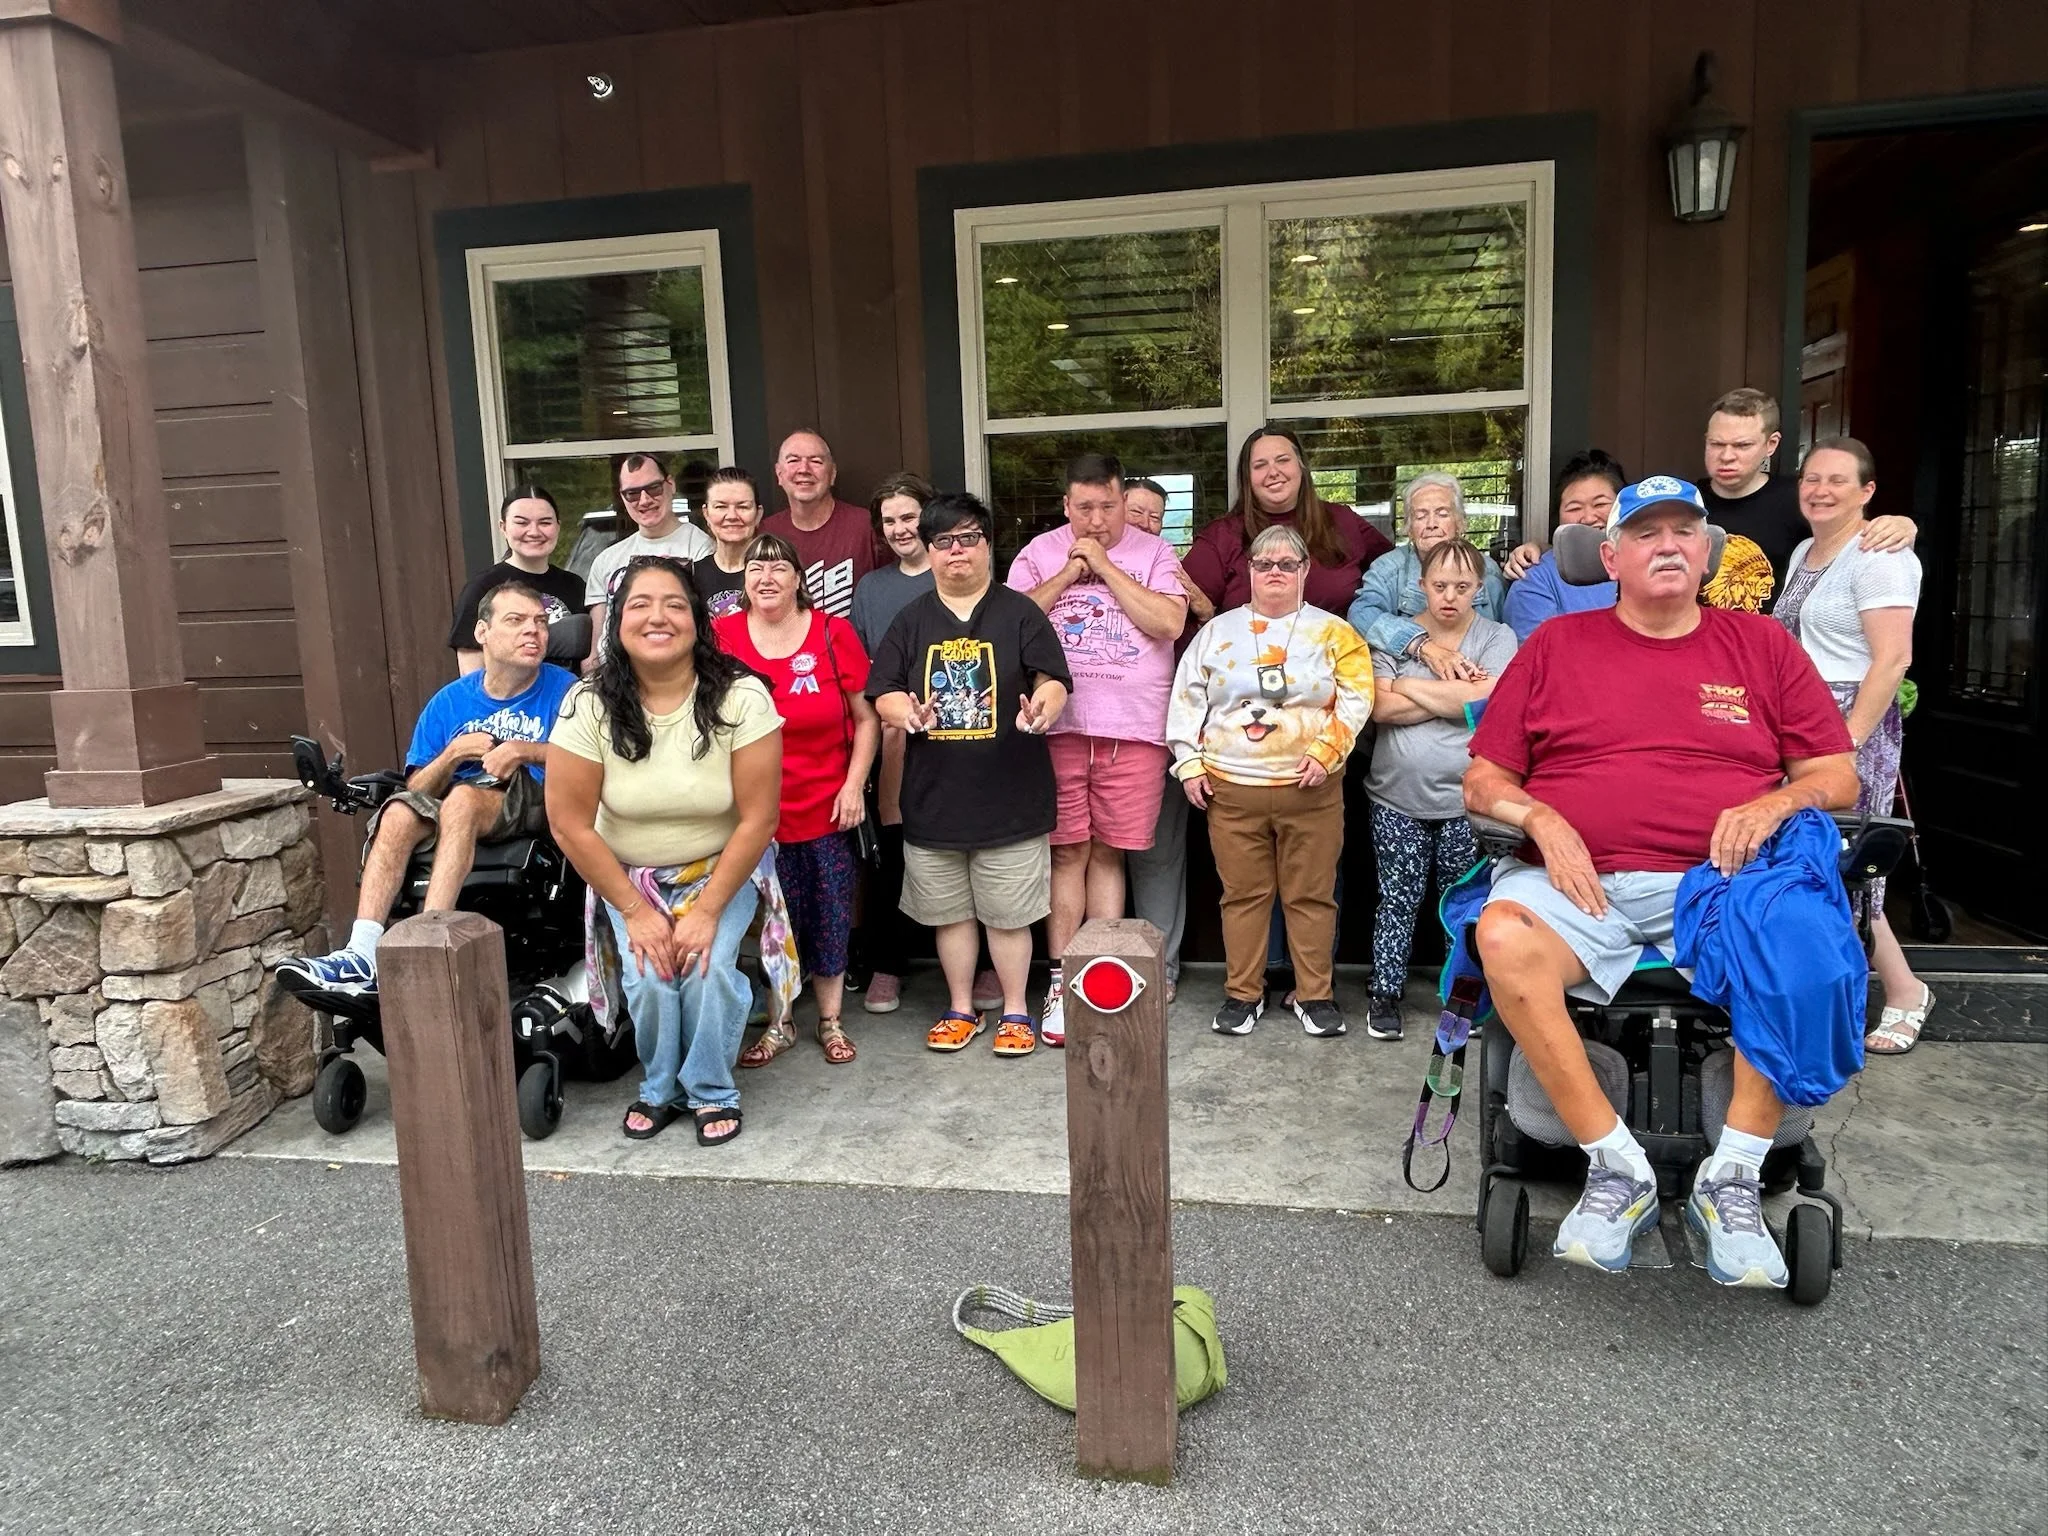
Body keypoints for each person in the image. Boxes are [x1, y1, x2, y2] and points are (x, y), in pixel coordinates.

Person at [1465, 475, 1859, 1288]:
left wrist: (1777, 802)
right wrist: (1542, 819)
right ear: (1610, 556)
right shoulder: (1554, 648)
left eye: (1686, 531)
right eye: (1647, 534)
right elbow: (1483, 782)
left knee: (1797, 937)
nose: (1670, 545)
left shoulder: (1762, 648)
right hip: (1582, 885)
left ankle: (1735, 1180)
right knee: (1500, 933)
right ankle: (1616, 1168)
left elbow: (1836, 775)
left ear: (1708, 551)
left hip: (1722, 881)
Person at [546, 557, 798, 1146]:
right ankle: (660, 1086)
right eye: (639, 605)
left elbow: (760, 816)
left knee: (706, 970)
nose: (657, 617)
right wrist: (634, 911)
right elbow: (569, 823)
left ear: (697, 620)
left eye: (675, 604)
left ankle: (711, 1089)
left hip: (722, 867)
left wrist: (708, 911)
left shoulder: (742, 697)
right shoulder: (588, 705)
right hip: (627, 875)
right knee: (653, 977)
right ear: (616, 623)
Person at [277, 584, 575, 996]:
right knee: (400, 810)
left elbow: (591, 762)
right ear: (482, 633)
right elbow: (417, 786)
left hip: (533, 798)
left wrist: (526, 751)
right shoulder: (449, 702)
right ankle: (361, 955)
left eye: (541, 622)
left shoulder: (567, 689)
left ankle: (428, 948)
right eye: (516, 620)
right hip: (457, 798)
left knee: (463, 800)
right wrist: (453, 754)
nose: (534, 631)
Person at [867, 492, 1072, 1057]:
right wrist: (903, 714)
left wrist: (1043, 708)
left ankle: (1013, 1011)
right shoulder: (910, 620)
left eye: (968, 539)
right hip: (934, 801)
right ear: (929, 552)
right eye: (944, 541)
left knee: (1009, 918)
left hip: (1011, 797)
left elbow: (1052, 679)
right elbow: (881, 690)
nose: (957, 551)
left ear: (987, 547)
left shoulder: (1020, 612)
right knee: (950, 915)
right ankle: (960, 1007)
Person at [1009, 452, 1187, 1047]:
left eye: (1107, 506)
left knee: (1110, 855)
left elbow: (1168, 622)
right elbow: (1007, 623)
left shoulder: (1155, 552)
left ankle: (1101, 976)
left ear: (1121, 499)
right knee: (1066, 855)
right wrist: (1066, 574)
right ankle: (1062, 981)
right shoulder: (1039, 550)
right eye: (1084, 508)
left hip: (1134, 730)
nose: (1096, 519)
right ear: (1066, 505)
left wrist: (1107, 567)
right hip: (1057, 729)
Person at [1167, 526, 1374, 1037]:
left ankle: (1315, 995)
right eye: (1264, 564)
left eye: (1287, 564)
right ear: (1250, 572)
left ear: (1305, 570)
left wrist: (1328, 751)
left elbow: (1357, 696)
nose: (1275, 572)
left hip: (1312, 787)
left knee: (1312, 895)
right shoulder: (1217, 631)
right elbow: (1187, 698)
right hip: (1232, 789)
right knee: (1243, 896)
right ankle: (1242, 993)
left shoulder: (1335, 634)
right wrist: (1188, 762)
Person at [1778, 437, 1932, 1054]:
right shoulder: (1804, 550)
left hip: (1850, 722)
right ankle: (1833, 996)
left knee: (1849, 865)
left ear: (1867, 492)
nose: (1820, 490)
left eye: (1837, 480)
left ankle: (1903, 990)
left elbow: (1893, 658)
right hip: (1805, 720)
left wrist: (1844, 743)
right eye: (1811, 479)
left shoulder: (1882, 555)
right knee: (1813, 860)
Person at [715, 534, 879, 1068]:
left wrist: (854, 784)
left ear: (797, 578)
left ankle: (829, 1020)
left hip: (827, 806)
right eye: (755, 568)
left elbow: (866, 717)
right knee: (769, 920)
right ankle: (780, 1021)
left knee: (829, 913)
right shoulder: (721, 637)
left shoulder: (833, 633)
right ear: (743, 580)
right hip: (750, 815)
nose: (766, 577)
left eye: (778, 567)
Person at [1365, 539, 1518, 1041]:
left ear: (1479, 588)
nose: (1449, 596)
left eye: (1462, 586)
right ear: (1420, 586)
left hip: (1466, 801)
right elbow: (1380, 710)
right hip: (1395, 794)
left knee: (1466, 904)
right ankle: (1385, 995)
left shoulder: (1497, 636)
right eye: (1439, 585)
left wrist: (1407, 687)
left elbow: (1488, 698)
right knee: (1397, 898)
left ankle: (1463, 1000)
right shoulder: (1396, 639)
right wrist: (1453, 696)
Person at [1696, 387, 1916, 612]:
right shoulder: (1683, 502)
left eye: (1742, 445)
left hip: (1778, 642)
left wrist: (1903, 526)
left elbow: (1858, 542)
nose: (1727, 456)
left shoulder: (1805, 499)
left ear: (1771, 444)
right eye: (1716, 444)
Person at [849, 472, 939, 1017]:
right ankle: (889, 963)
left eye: (910, 517)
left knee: (962, 845)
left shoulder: (957, 575)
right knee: (892, 855)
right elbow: (864, 672)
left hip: (960, 733)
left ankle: (980, 966)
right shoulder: (872, 588)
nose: (901, 528)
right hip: (893, 734)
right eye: (891, 521)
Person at [1183, 425, 1394, 618]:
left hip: (1337, 654)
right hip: (1247, 656)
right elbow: (1182, 611)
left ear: (1301, 467)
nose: (1273, 472)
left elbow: (1398, 573)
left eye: (1283, 460)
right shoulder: (1221, 537)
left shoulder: (1342, 520)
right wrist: (1207, 620)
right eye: (1260, 465)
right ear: (1247, 477)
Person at [1120, 476, 1192, 1003]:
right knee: (1090, 858)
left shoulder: (1168, 566)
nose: (1145, 524)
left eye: (1155, 517)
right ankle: (1096, 961)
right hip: (1086, 731)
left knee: (1158, 854)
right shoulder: (1078, 566)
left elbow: (1187, 623)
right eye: (1135, 512)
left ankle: (1160, 965)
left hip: (1157, 729)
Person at [1348, 473, 1508, 674]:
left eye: (1442, 514)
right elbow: (1361, 614)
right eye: (1421, 515)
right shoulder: (1387, 570)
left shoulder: (1487, 572)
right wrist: (1421, 645)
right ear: (1409, 527)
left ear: (1459, 522)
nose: (1431, 524)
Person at [583, 452, 714, 671]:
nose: (644, 500)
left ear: (670, 484)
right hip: (616, 682)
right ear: (622, 498)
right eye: (632, 494)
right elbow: (596, 648)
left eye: (653, 488)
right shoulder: (606, 560)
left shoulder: (703, 549)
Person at [447, 484, 590, 674]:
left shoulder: (575, 585)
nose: (534, 531)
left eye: (545, 522)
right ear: (503, 527)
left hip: (571, 699)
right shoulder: (482, 588)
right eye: (522, 523)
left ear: (558, 527)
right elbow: (472, 677)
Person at [762, 429, 889, 617]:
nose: (804, 469)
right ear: (779, 474)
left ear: (832, 474)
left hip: (855, 645)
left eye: (816, 461)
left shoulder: (866, 526)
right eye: (793, 460)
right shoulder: (766, 533)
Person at [1501, 452, 1625, 642]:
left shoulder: (1647, 565)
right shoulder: (1536, 579)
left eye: (1600, 504)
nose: (1589, 517)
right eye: (1574, 508)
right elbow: (1538, 660)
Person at [690, 467, 766, 620]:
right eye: (721, 507)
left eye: (743, 506)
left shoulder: (775, 575)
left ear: (758, 515)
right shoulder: (690, 577)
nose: (732, 516)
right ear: (706, 514)